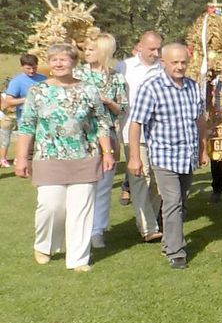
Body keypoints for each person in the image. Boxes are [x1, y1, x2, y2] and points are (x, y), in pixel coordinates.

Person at [13, 44, 115, 271]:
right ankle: (44, 245)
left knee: (81, 208)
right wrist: (21, 158)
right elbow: (27, 126)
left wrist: (107, 152)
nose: (58, 64)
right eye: (54, 59)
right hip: (48, 157)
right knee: (51, 205)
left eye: (63, 59)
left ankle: (78, 259)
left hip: (85, 156)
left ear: (73, 63)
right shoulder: (37, 92)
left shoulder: (88, 90)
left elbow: (101, 123)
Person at [128, 44, 208, 270]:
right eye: (175, 62)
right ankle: (176, 251)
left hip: (187, 154)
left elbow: (200, 119)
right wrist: (135, 157)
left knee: (181, 202)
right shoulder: (151, 87)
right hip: (164, 156)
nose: (180, 67)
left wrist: (203, 148)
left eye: (183, 62)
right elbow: (136, 123)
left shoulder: (193, 87)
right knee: (172, 201)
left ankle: (168, 241)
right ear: (163, 62)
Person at [75, 33, 129, 249]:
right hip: (79, 137)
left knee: (104, 186)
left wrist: (108, 102)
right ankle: (78, 229)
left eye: (91, 49)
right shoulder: (77, 74)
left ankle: (97, 230)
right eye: (86, 49)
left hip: (108, 136)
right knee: (81, 186)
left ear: (104, 51)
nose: (87, 53)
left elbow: (122, 108)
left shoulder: (116, 78)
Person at [121, 30, 164, 241]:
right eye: (151, 49)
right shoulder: (125, 67)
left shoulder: (164, 69)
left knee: (156, 179)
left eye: (158, 49)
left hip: (159, 133)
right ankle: (147, 227)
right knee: (140, 177)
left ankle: (152, 218)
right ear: (140, 46)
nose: (155, 53)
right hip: (133, 131)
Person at [1, 54, 45, 167]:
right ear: (22, 67)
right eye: (28, 68)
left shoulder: (43, 79)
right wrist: (28, 99)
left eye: (34, 68)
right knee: (28, 141)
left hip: (43, 115)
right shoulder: (17, 81)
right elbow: (9, 101)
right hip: (25, 116)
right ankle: (24, 162)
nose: (32, 71)